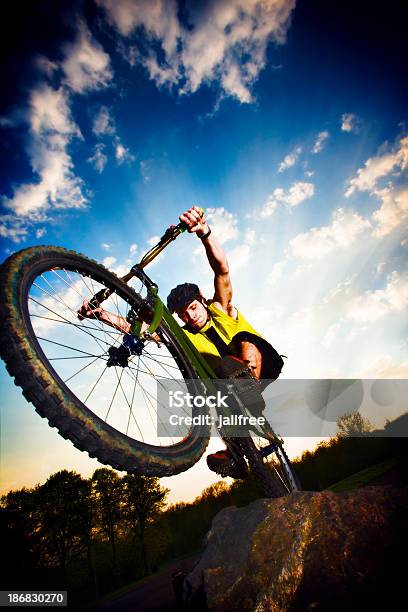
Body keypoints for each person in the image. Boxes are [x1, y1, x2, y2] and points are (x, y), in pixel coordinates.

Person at [78, 206, 282, 479]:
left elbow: (222, 271)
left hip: (262, 365)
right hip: (227, 382)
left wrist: (205, 233)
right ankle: (237, 456)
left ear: (203, 303)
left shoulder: (221, 308)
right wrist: (99, 314)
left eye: (194, 308)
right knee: (214, 392)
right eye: (184, 313)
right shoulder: (184, 335)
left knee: (244, 339)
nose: (190, 315)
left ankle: (251, 388)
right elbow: (138, 330)